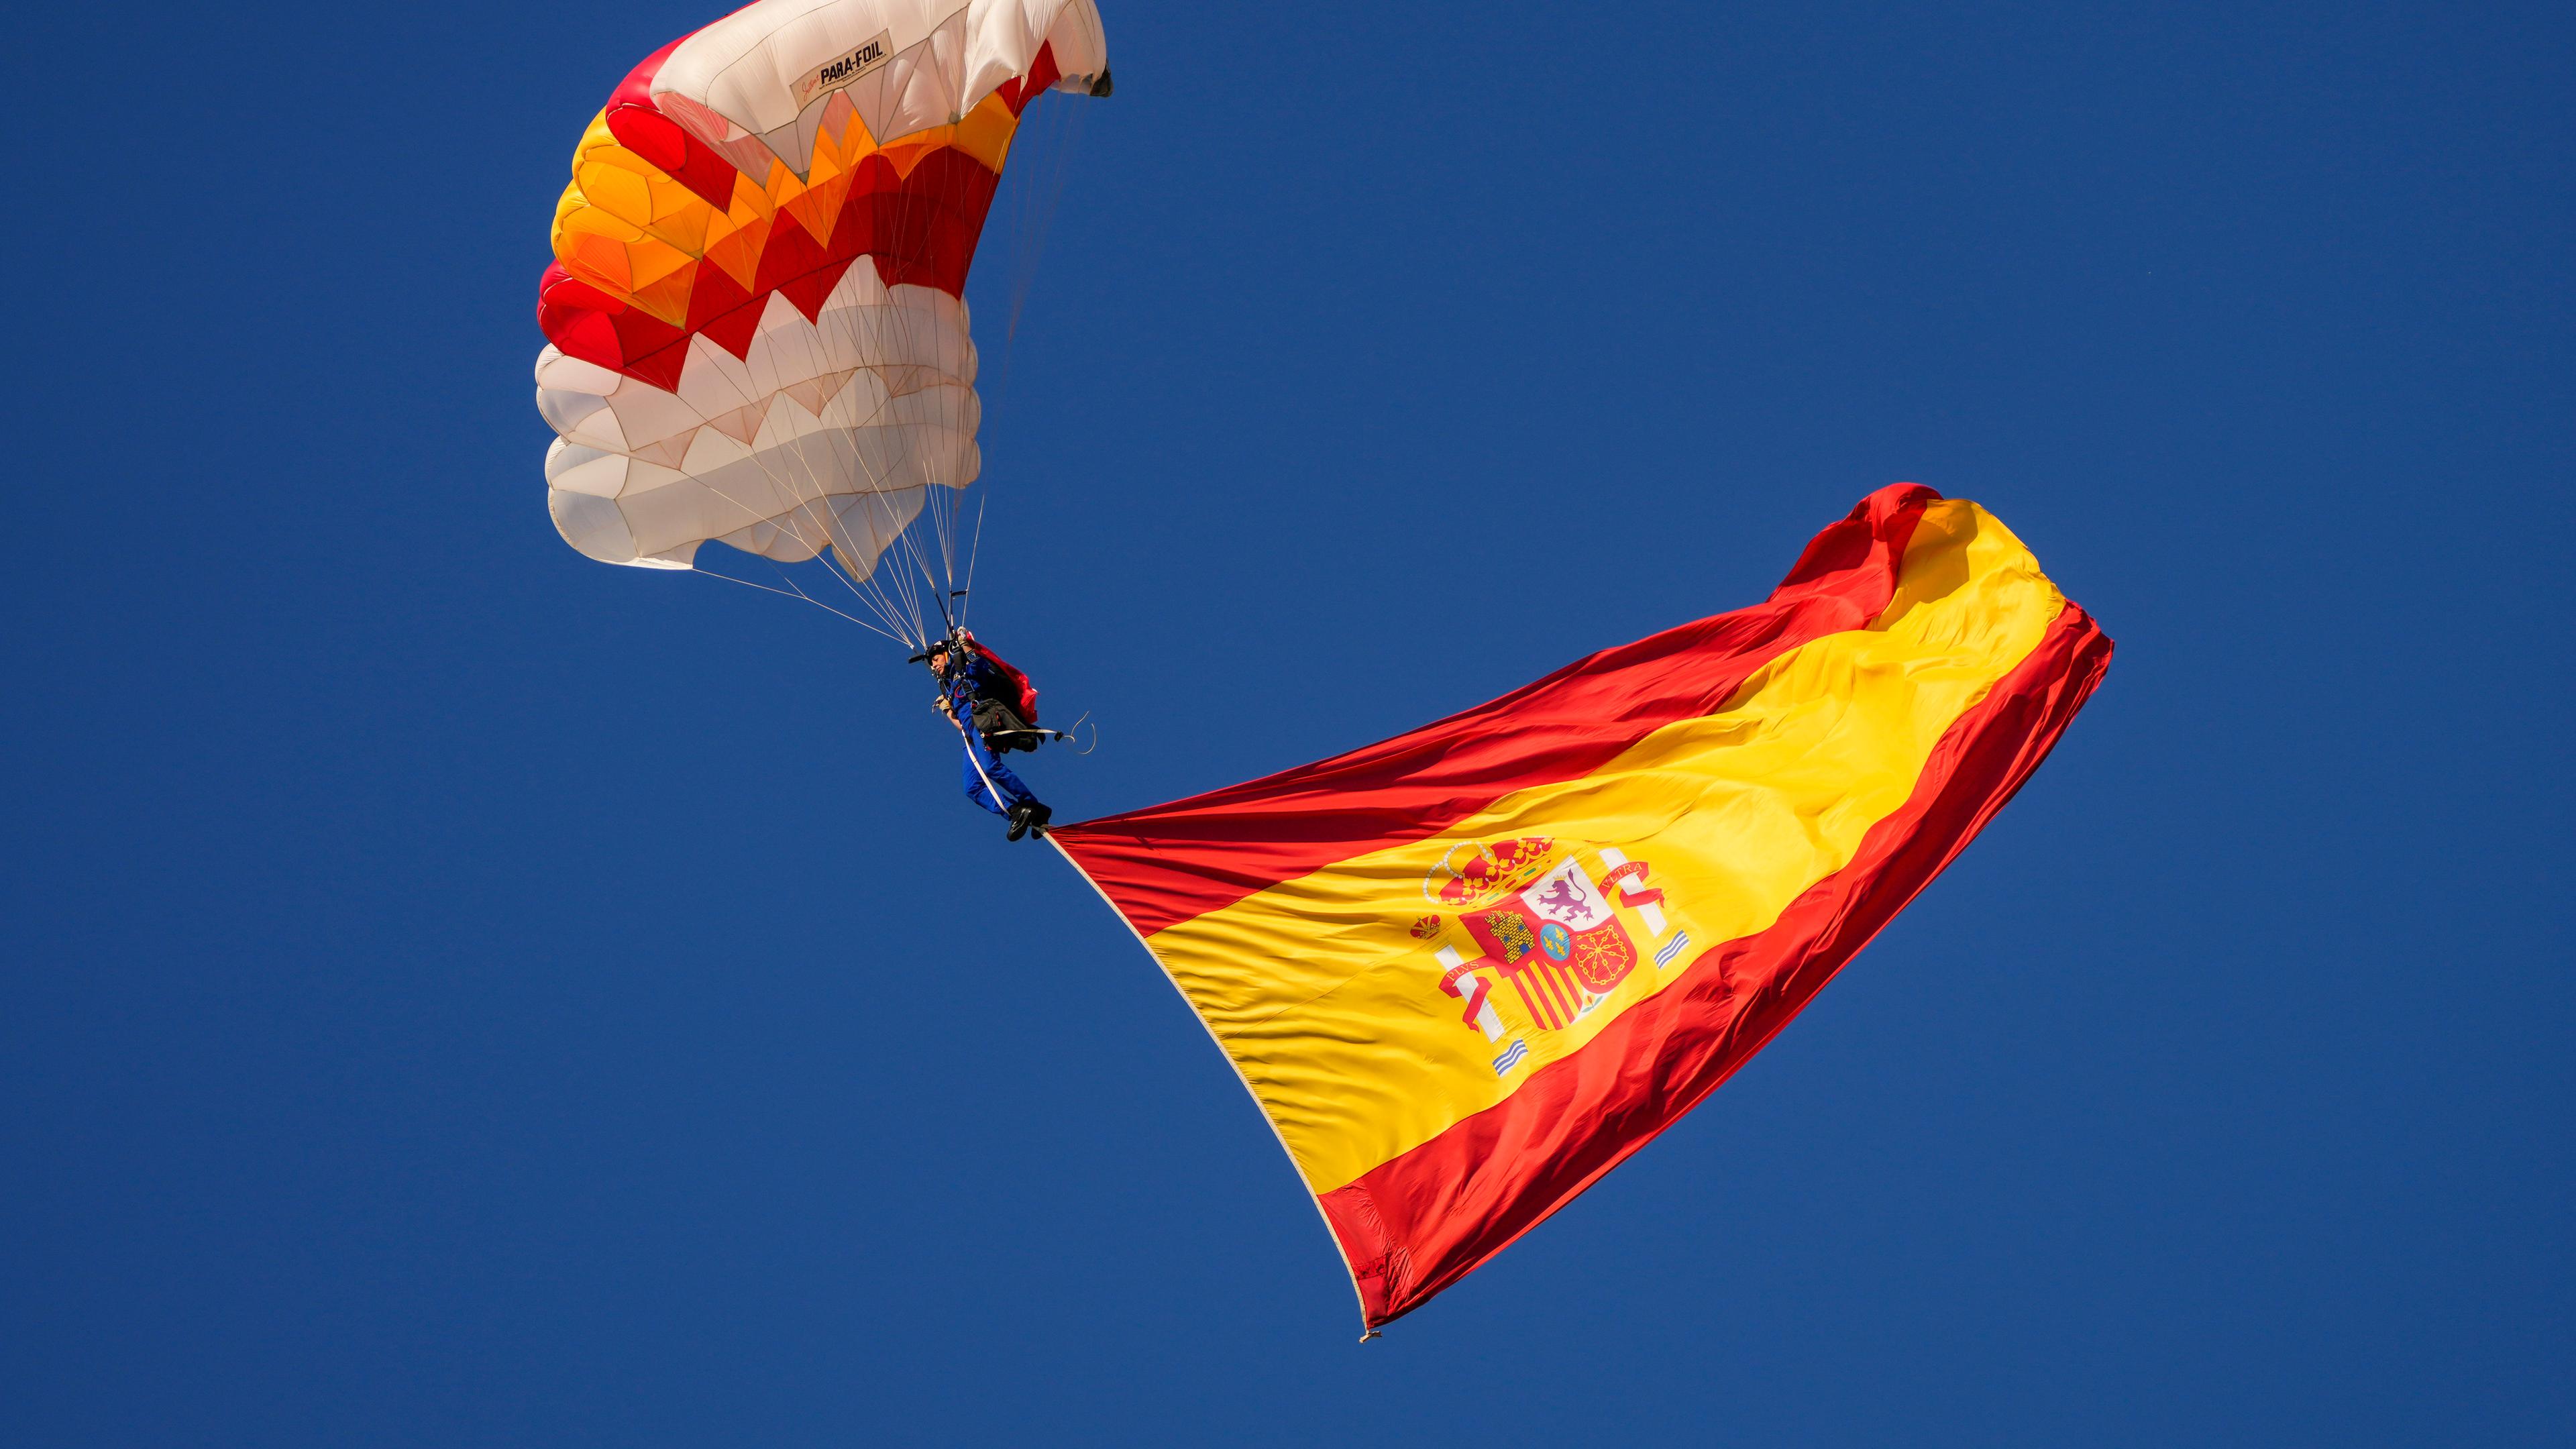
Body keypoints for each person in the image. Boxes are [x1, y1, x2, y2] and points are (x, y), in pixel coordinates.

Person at [924, 633, 1053, 841]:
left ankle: (1032, 807)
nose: (933, 666)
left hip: (982, 724)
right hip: (970, 735)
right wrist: (946, 709)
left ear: (947, 655)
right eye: (931, 663)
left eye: (936, 659)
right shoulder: (949, 688)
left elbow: (981, 668)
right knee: (972, 787)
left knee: (991, 767)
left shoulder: (963, 670)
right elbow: (960, 725)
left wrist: (965, 646)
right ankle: (1019, 811)